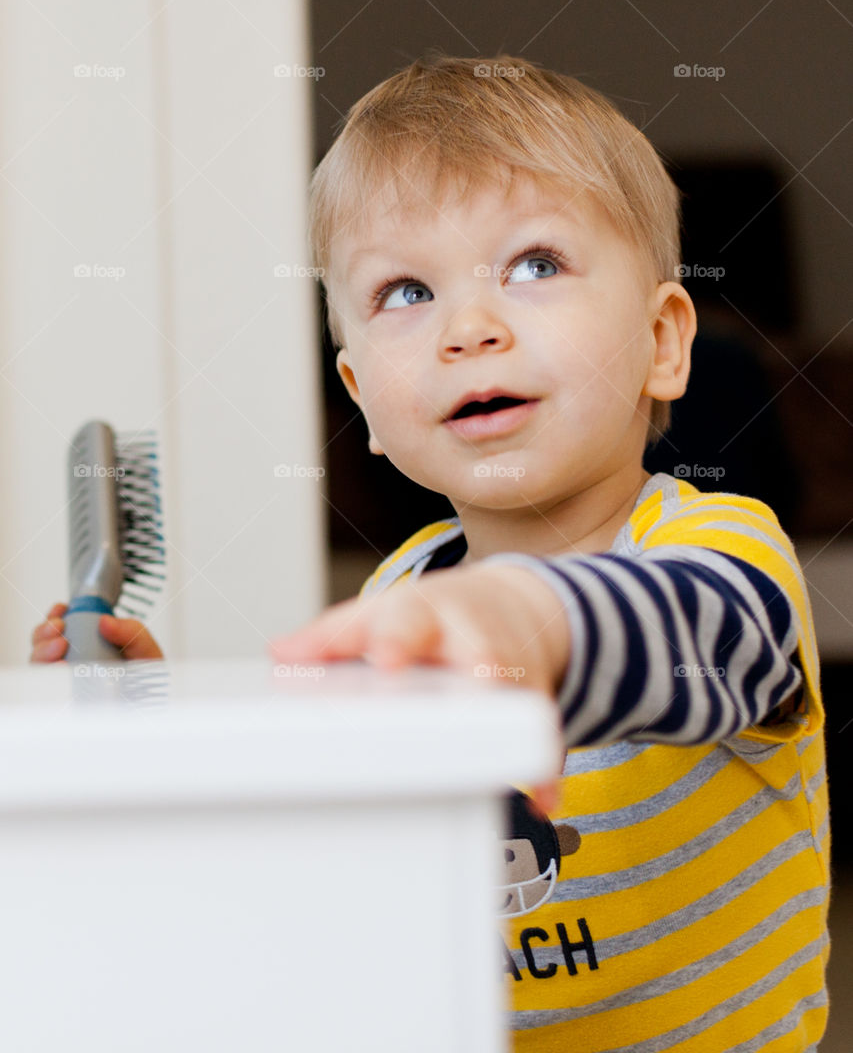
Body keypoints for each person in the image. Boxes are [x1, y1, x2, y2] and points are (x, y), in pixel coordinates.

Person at [33, 55, 829, 1051]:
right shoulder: (402, 590)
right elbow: (331, 836)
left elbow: (696, 632)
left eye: (535, 264)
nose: (468, 328)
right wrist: (163, 723)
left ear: (664, 341)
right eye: (405, 290)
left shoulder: (716, 550)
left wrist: (533, 616)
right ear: (361, 394)